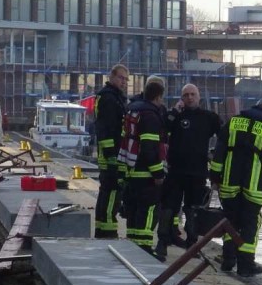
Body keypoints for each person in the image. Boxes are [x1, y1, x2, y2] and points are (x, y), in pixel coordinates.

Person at [211, 98, 262, 276]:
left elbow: (219, 151)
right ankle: (246, 266)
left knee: (231, 221)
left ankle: (228, 260)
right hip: (253, 185)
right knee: (250, 224)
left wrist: (214, 177)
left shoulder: (234, 122)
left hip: (229, 182)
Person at [159, 84, 221, 255]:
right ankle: (162, 241)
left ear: (199, 96)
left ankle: (192, 244)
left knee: (193, 209)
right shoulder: (176, 116)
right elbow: (162, 128)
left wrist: (215, 155)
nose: (190, 98)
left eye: (193, 94)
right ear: (181, 98)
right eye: (186, 95)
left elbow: (224, 137)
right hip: (176, 171)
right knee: (169, 206)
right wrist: (174, 111)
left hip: (197, 171)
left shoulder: (209, 117)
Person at [118, 78, 168, 256]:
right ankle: (144, 248)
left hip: (131, 171)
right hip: (146, 175)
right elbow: (150, 148)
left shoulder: (133, 110)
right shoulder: (151, 116)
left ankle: (132, 247)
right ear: (158, 97)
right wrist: (158, 173)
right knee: (148, 212)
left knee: (133, 211)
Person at [92, 64, 129, 239]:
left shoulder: (114, 97)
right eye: (121, 78)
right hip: (111, 157)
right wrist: (112, 158)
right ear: (112, 76)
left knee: (106, 192)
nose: (124, 82)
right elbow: (105, 131)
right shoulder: (109, 99)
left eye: (126, 79)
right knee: (112, 194)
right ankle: (108, 232)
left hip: (110, 155)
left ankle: (101, 229)